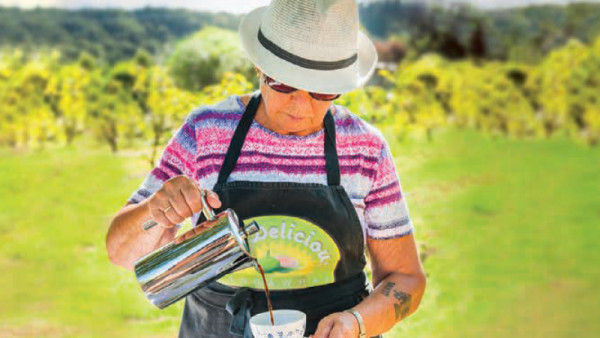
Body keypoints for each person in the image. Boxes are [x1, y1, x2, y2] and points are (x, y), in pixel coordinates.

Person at [105, 0, 426, 337]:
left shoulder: (364, 148)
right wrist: (156, 210)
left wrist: (357, 323)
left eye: (321, 90)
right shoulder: (207, 131)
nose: (300, 106)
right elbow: (121, 254)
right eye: (283, 83)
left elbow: (405, 278)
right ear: (259, 66)